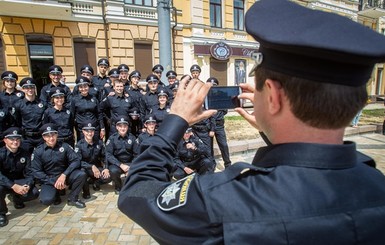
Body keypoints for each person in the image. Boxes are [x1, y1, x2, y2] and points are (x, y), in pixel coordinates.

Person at [118, 0, 385, 243]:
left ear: (274, 96)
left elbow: (136, 193)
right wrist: (276, 130)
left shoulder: (223, 199)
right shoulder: (375, 182)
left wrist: (176, 119)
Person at [32, 123, 87, 209]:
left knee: (81, 174)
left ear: (57, 135)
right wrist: (53, 181)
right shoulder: (39, 151)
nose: (51, 138)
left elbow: (76, 160)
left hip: (64, 176)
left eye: (53, 135)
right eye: (47, 136)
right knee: (46, 200)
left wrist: (64, 174)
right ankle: (56, 194)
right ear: (43, 137)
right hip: (49, 179)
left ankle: (73, 198)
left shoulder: (65, 146)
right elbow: (36, 172)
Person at [0, 127, 39, 227]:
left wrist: (28, 185)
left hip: (19, 181)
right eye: (12, 139)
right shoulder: (1, 154)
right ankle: (2, 213)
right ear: (5, 140)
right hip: (4, 183)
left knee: (34, 193)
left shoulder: (25, 153)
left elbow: (30, 172)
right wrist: (13, 186)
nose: (15, 142)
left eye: (17, 139)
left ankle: (17, 199)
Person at [75, 121, 110, 198]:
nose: (89, 133)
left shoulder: (99, 143)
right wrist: (91, 166)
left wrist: (106, 168)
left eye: (91, 131)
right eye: (87, 131)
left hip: (97, 169)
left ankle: (96, 183)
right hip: (85, 168)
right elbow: (78, 161)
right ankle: (86, 191)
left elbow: (105, 156)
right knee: (82, 174)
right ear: (83, 132)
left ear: (94, 132)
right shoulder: (79, 145)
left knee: (108, 176)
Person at [12, 78, 47, 154]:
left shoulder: (42, 103)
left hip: (40, 136)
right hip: (26, 137)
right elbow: (16, 121)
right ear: (23, 89)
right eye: (27, 88)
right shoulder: (19, 104)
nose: (30, 90)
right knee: (26, 159)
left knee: (43, 157)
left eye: (31, 87)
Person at [105, 116, 137, 194]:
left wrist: (131, 166)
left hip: (129, 163)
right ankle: (118, 186)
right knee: (113, 171)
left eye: (125, 126)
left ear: (127, 127)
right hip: (117, 164)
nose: (123, 128)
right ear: (116, 127)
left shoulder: (132, 138)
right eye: (120, 126)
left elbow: (137, 154)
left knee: (137, 170)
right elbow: (108, 154)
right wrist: (120, 165)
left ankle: (129, 185)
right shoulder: (112, 139)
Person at [206, 77, 232, 168]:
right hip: (208, 125)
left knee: (223, 145)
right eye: (210, 85)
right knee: (209, 147)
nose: (212, 87)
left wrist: (217, 116)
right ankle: (211, 165)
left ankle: (227, 164)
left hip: (219, 125)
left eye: (214, 85)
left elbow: (225, 110)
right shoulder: (204, 96)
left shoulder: (222, 95)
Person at [71, 76, 105, 142]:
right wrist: (72, 131)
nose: (83, 89)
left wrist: (102, 128)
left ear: (88, 87)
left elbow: (99, 114)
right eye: (81, 87)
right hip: (81, 129)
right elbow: (72, 115)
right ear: (78, 88)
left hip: (94, 128)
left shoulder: (94, 99)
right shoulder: (74, 100)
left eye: (85, 86)